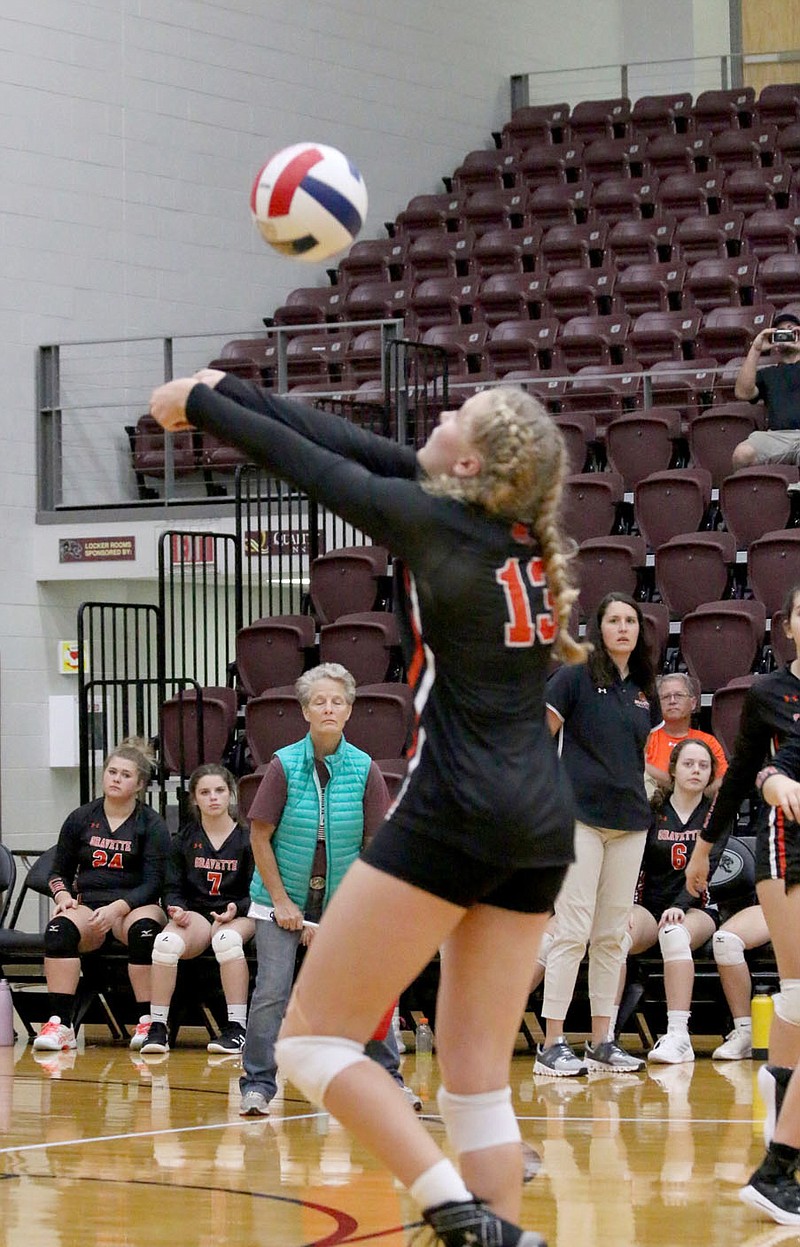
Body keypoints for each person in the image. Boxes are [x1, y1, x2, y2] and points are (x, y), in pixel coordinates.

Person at [150, 371, 584, 1247]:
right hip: (540, 822)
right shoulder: (510, 537)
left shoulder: (435, 524)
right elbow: (344, 443)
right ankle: (499, 1233)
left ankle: (454, 1210)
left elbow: (309, 466)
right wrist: (223, 384)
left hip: (460, 807)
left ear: (467, 458)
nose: (438, 416)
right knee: (476, 1083)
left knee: (311, 1045)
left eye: (454, 414)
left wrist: (197, 410)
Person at [235, 661, 413, 1117]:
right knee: (272, 991)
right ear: (306, 711)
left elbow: (375, 845)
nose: (329, 708)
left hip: (342, 904)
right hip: (281, 900)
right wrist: (280, 902)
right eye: (320, 701)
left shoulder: (365, 768)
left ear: (350, 711)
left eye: (337, 701)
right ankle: (257, 1084)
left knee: (365, 993)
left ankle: (389, 1081)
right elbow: (259, 836)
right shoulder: (284, 764)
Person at [687, 583, 800, 1119]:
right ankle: (781, 1139)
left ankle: (780, 1107)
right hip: (785, 848)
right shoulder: (768, 695)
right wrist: (705, 847)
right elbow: (741, 778)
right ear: (789, 625)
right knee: (798, 994)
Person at [535, 592, 660, 1077]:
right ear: (599, 628)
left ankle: (603, 1041)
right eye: (614, 620)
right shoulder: (574, 677)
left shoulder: (643, 691)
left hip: (629, 824)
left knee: (612, 936)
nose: (623, 628)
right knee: (573, 930)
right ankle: (552, 1045)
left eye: (631, 620)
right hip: (579, 820)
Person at [32, 739, 169, 1053]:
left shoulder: (151, 824)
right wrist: (63, 897)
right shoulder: (81, 818)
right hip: (90, 906)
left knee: (144, 932)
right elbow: (58, 873)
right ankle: (61, 1023)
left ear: (140, 784)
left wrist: (119, 908)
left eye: (125, 774)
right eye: (112, 771)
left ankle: (146, 1020)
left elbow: (155, 882)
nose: (116, 779)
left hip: (135, 904)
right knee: (58, 930)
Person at [139, 764, 255, 1056]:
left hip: (240, 914)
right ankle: (158, 1027)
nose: (213, 797)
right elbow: (172, 887)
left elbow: (260, 890)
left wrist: (236, 908)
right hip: (198, 914)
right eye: (205, 792)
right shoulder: (183, 840)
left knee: (226, 941)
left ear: (231, 795)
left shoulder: (248, 839)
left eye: (219, 791)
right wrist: (176, 909)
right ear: (194, 799)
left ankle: (237, 1028)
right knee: (165, 944)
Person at [624, 738, 723, 1065]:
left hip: (697, 908)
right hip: (649, 909)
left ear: (711, 774)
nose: (696, 770)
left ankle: (679, 1035)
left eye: (703, 766)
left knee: (675, 933)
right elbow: (630, 863)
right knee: (616, 933)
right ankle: (605, 1037)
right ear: (673, 769)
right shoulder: (651, 811)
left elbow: (703, 873)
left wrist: (679, 905)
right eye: (689, 764)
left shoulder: (716, 815)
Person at [737, 734, 800, 1223]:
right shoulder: (776, 699)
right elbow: (765, 770)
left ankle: (779, 1088)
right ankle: (775, 1173)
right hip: (784, 863)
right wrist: (774, 780)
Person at [732, 310, 800, 470]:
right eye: (780, 332)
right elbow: (743, 393)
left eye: (791, 330)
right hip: (776, 436)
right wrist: (756, 349)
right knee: (741, 454)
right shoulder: (768, 373)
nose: (786, 334)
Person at [645, 672, 727, 797]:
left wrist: (693, 795)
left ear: (693, 703)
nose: (672, 701)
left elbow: (722, 779)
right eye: (666, 697)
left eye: (678, 695)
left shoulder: (708, 741)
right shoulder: (647, 738)